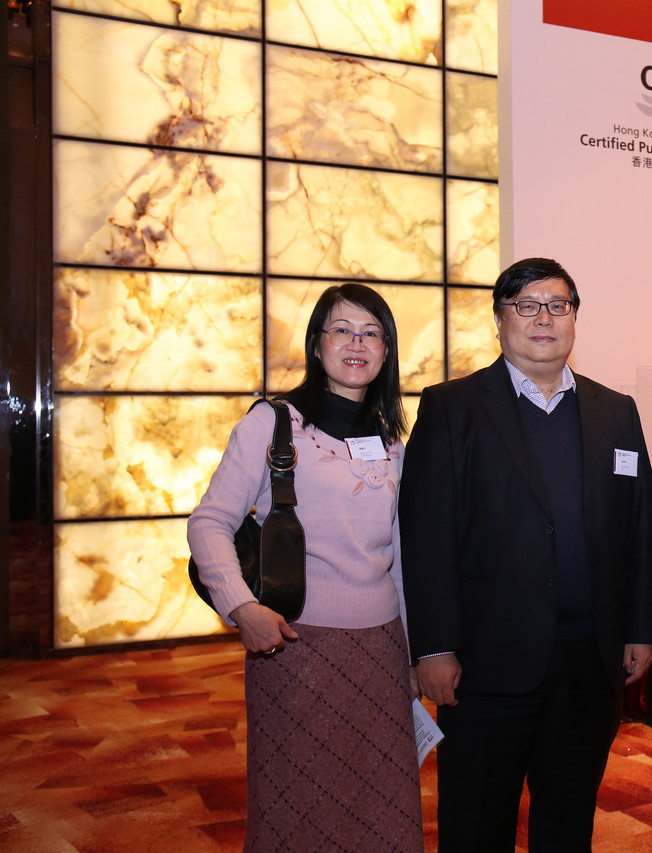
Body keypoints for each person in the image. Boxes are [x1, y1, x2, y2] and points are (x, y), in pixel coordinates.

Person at [399, 257, 652, 852]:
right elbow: (425, 536)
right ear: (499, 319)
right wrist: (434, 646)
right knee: (475, 824)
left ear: (574, 318)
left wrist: (642, 628)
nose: (544, 318)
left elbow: (639, 526)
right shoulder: (452, 407)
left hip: (589, 663)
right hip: (486, 663)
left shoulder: (614, 410)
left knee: (569, 821)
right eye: (527, 305)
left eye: (558, 305)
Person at [188, 283, 421, 851]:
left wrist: (414, 652)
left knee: (382, 804)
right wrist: (241, 607)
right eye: (342, 330)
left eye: (371, 333)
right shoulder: (273, 424)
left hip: (381, 650)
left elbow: (400, 553)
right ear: (317, 344)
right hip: (295, 645)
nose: (356, 343)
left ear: (387, 350)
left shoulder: (393, 441)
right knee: (298, 804)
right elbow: (209, 522)